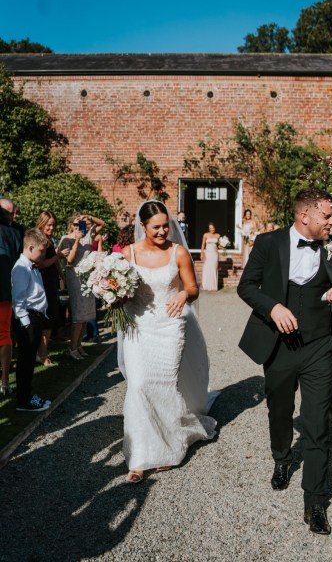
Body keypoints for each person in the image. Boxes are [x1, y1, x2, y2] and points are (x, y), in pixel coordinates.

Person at [237, 188, 332, 535]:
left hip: (321, 346)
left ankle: (315, 502)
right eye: (326, 215)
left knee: (316, 421)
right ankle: (281, 458)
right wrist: (272, 307)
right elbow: (246, 287)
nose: (331, 221)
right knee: (279, 408)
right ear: (304, 215)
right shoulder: (268, 243)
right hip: (279, 346)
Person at [119, 200, 216, 484]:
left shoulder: (178, 252)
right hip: (138, 327)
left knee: (163, 385)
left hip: (170, 325)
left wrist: (184, 295)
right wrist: (112, 292)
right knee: (138, 386)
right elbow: (119, 291)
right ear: (142, 227)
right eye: (156, 227)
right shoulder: (128, 255)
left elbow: (193, 288)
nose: (163, 232)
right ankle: (138, 456)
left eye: (165, 226)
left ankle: (169, 446)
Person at [12, 228, 51, 412]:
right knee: (26, 362)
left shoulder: (32, 265)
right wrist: (26, 323)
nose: (43, 255)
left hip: (36, 317)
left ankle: (26, 395)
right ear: (30, 247)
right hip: (28, 320)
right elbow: (18, 299)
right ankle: (24, 401)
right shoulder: (21, 268)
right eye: (41, 251)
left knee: (29, 361)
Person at [58, 213, 105, 360]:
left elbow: (102, 223)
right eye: (76, 224)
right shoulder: (66, 239)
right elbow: (70, 260)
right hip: (75, 277)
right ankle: (72, 348)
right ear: (71, 225)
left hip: (88, 277)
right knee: (78, 314)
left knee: (86, 314)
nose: (79, 227)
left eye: (81, 224)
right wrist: (77, 240)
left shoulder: (89, 235)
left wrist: (89, 217)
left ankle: (78, 345)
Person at [35, 211, 69, 366]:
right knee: (46, 320)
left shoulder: (48, 239)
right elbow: (41, 263)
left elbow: (53, 261)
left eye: (53, 225)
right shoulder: (39, 239)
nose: (51, 228)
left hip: (51, 281)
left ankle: (43, 352)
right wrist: (59, 255)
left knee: (50, 319)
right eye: (48, 225)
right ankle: (42, 354)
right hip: (43, 282)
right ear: (41, 223)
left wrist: (61, 275)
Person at [0, 203, 22, 397]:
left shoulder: (13, 232)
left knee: (5, 335)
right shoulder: (14, 233)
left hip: (5, 289)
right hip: (6, 288)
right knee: (4, 335)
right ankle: (5, 381)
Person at [200, 222, 220, 291]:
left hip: (215, 254)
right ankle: (206, 286)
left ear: (215, 228)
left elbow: (218, 246)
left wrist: (223, 245)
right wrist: (202, 253)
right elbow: (203, 245)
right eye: (210, 228)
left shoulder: (218, 235)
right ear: (208, 228)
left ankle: (213, 286)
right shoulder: (205, 235)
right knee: (207, 268)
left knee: (214, 268)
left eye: (213, 228)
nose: (212, 229)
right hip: (208, 254)